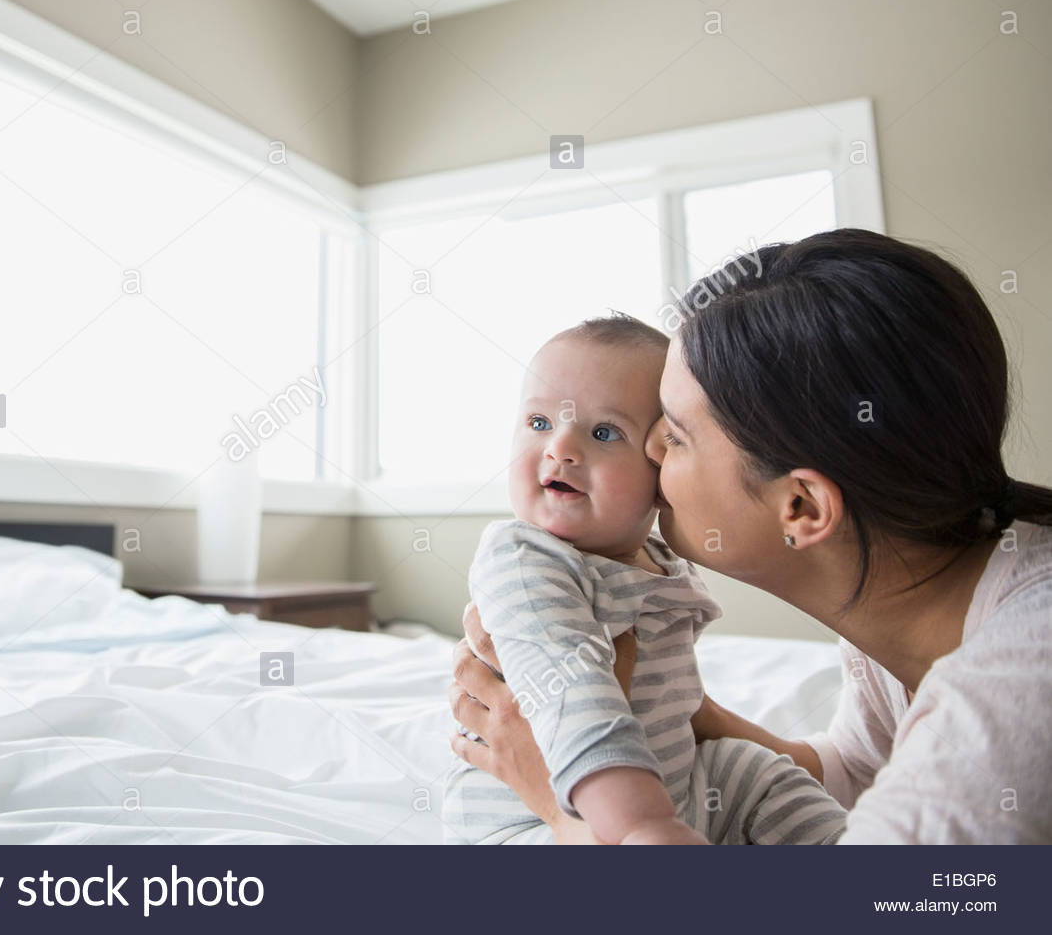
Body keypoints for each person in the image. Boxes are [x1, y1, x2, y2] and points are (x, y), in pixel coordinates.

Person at [450, 228, 1052, 844]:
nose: (650, 449)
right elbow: (857, 767)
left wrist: (555, 800)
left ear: (801, 506)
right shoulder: (907, 593)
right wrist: (691, 715)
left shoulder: (1005, 706)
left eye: (675, 434)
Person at [443, 315, 847, 845]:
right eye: (539, 423)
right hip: (526, 820)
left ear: (662, 464)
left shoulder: (661, 562)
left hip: (673, 793)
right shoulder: (525, 560)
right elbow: (574, 693)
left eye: (604, 432)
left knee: (757, 772)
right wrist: (642, 825)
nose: (560, 447)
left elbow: (680, 707)